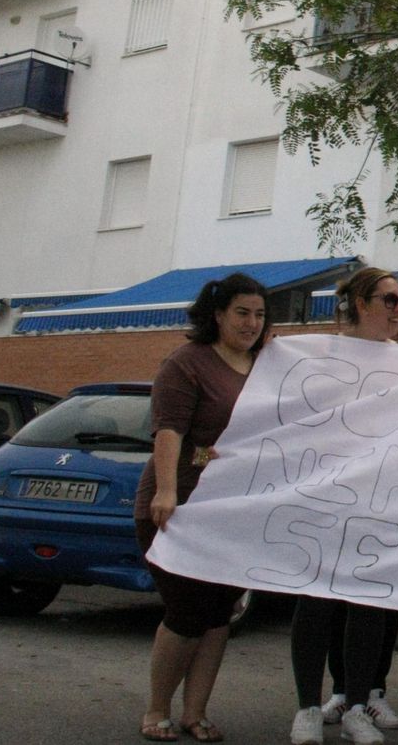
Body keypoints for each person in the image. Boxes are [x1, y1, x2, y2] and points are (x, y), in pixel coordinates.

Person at [136, 273, 271, 743]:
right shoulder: (186, 363)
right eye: (241, 312)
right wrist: (167, 492)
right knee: (187, 612)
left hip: (229, 514)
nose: (252, 322)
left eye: (258, 313)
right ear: (216, 314)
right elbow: (169, 432)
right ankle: (157, 710)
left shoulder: (265, 366)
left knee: (219, 615)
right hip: (178, 508)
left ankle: (195, 713)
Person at [292, 268, 398, 745]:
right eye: (391, 299)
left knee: (368, 606)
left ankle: (358, 704)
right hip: (325, 499)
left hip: (378, 504)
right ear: (362, 304)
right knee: (315, 603)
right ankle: (306, 709)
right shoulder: (321, 355)